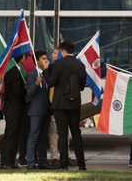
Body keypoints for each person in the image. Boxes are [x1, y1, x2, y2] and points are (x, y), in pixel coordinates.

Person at [48, 39, 87, 171]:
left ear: (63, 51)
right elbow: (82, 87)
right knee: (76, 133)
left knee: (62, 134)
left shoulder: (59, 65)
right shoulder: (80, 65)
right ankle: (81, 164)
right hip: (75, 103)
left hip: (60, 104)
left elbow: (51, 82)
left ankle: (63, 164)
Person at [0, 54, 27, 170]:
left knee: (9, 135)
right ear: (22, 58)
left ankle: (4, 161)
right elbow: (17, 92)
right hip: (15, 108)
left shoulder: (11, 71)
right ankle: (8, 162)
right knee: (12, 135)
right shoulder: (16, 73)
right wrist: (26, 89)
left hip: (11, 108)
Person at [25, 51, 51, 170]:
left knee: (43, 137)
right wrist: (36, 83)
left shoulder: (47, 73)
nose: (46, 61)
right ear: (37, 60)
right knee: (33, 136)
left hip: (46, 110)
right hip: (36, 110)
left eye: (47, 58)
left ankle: (43, 161)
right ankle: (30, 162)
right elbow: (29, 92)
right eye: (43, 59)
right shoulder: (32, 74)